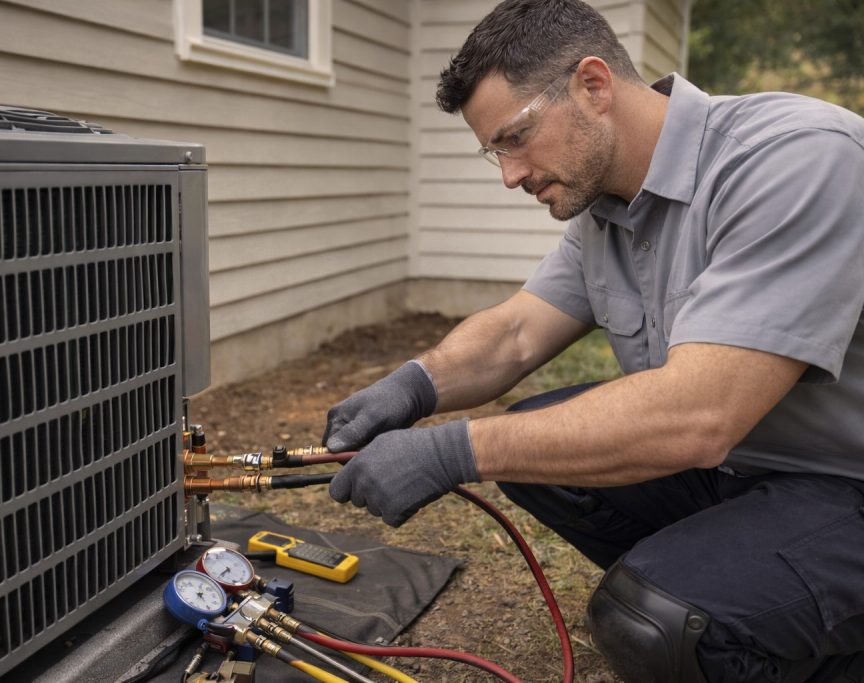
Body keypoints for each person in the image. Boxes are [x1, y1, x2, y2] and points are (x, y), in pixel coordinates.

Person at [321, 1, 864, 681]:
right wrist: (412, 385)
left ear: (593, 85)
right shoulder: (609, 205)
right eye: (495, 151)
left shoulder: (795, 158)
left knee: (655, 621)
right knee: (540, 447)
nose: (509, 175)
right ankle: (728, 589)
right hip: (747, 471)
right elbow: (517, 332)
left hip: (845, 483)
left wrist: (451, 450)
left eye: (515, 138)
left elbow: (700, 413)